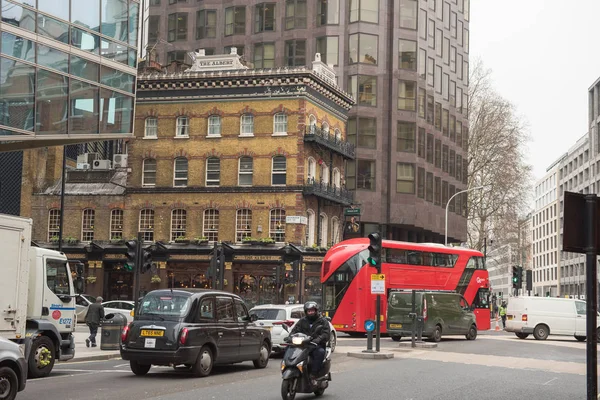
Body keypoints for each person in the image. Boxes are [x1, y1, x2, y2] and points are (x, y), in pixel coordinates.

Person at [287, 301, 330, 385]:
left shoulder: (322, 321)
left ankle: (313, 374)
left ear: (316, 310)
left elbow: (326, 333)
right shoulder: (302, 321)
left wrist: (318, 339)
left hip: (316, 345)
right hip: (303, 344)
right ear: (306, 312)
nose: (310, 312)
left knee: (320, 352)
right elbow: (295, 330)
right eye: (309, 311)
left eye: (312, 311)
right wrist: (290, 337)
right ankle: (290, 367)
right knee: (288, 349)